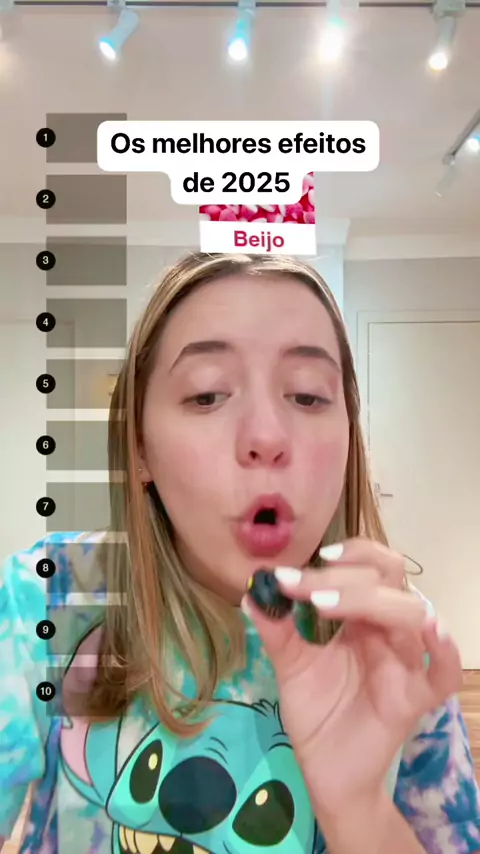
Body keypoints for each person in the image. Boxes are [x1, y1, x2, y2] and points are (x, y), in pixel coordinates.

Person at [0, 251, 479, 854]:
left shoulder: (393, 642)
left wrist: (360, 811)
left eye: (307, 396)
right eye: (206, 395)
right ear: (140, 447)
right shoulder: (51, 597)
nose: (267, 437)